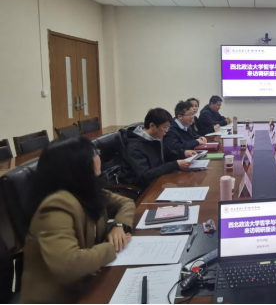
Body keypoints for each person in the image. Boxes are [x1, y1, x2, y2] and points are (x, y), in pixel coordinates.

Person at [21, 137, 136, 304]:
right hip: (61, 297)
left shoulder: (87, 190)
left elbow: (126, 203)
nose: (99, 156)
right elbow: (69, 265)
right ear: (78, 165)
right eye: (95, 153)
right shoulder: (56, 205)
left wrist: (118, 226)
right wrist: (110, 247)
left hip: (89, 283)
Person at [119, 108, 196, 189]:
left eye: (168, 127)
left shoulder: (154, 138)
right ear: (152, 126)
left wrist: (184, 153)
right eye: (165, 127)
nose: (167, 131)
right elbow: (145, 175)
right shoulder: (134, 147)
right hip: (142, 186)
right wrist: (175, 165)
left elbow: (167, 153)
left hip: (158, 178)